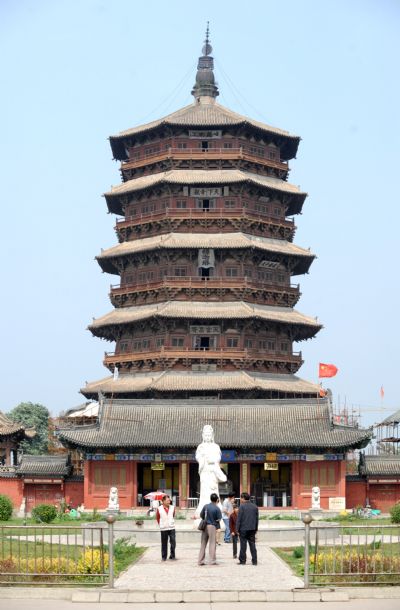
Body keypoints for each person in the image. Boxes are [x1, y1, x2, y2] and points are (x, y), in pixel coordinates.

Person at [195, 425, 227, 518]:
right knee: (204, 490)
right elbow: (197, 457)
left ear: (212, 436)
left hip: (212, 471)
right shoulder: (200, 447)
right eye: (206, 435)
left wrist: (212, 460)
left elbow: (218, 457)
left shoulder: (215, 446)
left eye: (209, 435)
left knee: (213, 489)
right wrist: (203, 458)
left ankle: (216, 506)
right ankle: (203, 505)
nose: (208, 437)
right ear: (203, 436)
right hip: (204, 471)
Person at [198, 493, 222, 566]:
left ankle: (200, 560)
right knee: (212, 543)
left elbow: (201, 515)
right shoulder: (217, 508)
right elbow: (218, 519)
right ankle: (212, 560)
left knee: (203, 543)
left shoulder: (206, 506)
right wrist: (218, 528)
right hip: (212, 526)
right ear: (217, 499)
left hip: (205, 526)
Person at [236, 492, 259, 565]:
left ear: (243, 498)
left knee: (243, 545)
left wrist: (237, 529)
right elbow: (257, 519)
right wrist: (256, 528)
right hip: (252, 528)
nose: (241, 499)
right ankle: (254, 561)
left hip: (243, 529)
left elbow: (239, 519)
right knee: (252, 545)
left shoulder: (241, 507)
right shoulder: (255, 506)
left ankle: (242, 561)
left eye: (241, 498)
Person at [156, 494, 176, 561]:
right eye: (167, 500)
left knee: (173, 542)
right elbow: (158, 518)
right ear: (163, 501)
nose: (169, 501)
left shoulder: (172, 507)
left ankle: (172, 555)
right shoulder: (159, 509)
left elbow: (173, 515)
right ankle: (164, 557)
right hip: (163, 528)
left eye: (169, 500)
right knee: (164, 543)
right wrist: (161, 524)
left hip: (171, 527)